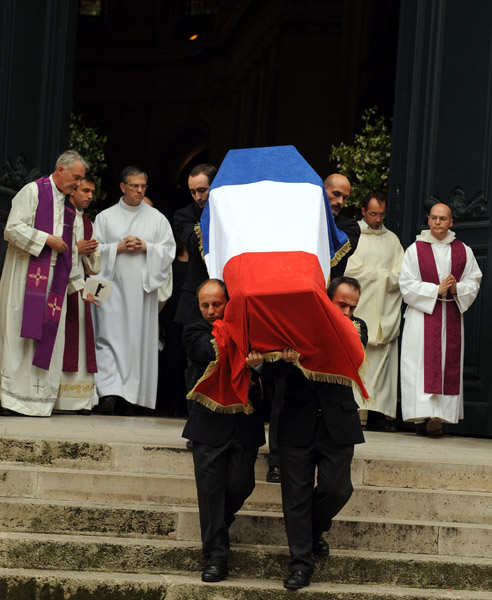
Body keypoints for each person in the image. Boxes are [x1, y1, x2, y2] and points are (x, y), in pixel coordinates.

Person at [271, 276, 366, 590]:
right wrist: (283, 356)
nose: (348, 312)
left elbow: (348, 354)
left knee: (337, 489)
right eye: (342, 305)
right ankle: (300, 565)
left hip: (337, 424)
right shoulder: (295, 325)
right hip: (297, 423)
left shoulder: (357, 329)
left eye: (352, 306)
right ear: (327, 300)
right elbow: (275, 370)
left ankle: (314, 530)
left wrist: (302, 347)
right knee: (295, 499)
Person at [182, 279, 265, 583]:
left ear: (229, 302)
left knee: (242, 486)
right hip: (209, 425)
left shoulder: (250, 329)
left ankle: (216, 524)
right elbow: (210, 352)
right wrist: (245, 343)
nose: (210, 310)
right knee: (210, 494)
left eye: (217, 304)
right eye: (205, 304)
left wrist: (258, 363)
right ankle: (216, 557)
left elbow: (267, 360)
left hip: (245, 421)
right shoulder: (194, 331)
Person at [0, 150, 90, 416]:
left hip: (54, 284)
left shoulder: (70, 208)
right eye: (76, 177)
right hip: (25, 277)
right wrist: (47, 240)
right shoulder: (32, 192)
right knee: (18, 334)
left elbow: (71, 251)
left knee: (48, 336)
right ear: (60, 170)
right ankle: (11, 400)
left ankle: (37, 400)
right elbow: (12, 229)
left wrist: (81, 289)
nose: (77, 184)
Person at [91, 166, 175, 415]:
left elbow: (168, 250)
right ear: (122, 187)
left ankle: (131, 396)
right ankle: (108, 393)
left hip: (140, 293)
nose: (139, 191)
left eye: (143, 187)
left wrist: (147, 247)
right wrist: (116, 247)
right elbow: (92, 254)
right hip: (110, 289)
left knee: (134, 343)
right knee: (105, 337)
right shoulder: (105, 217)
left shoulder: (157, 218)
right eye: (135, 186)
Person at [399, 203, 481, 436]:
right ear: (429, 220)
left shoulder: (463, 250)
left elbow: (474, 280)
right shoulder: (415, 249)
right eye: (434, 218)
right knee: (418, 365)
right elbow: (405, 284)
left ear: (451, 222)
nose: (438, 222)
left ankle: (438, 418)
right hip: (421, 316)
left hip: (450, 314)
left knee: (446, 364)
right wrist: (436, 289)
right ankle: (420, 415)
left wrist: (456, 289)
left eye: (443, 218)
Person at [345, 192, 404, 431]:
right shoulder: (354, 236)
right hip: (363, 307)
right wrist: (381, 274)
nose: (378, 219)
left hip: (384, 312)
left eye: (381, 214)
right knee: (360, 361)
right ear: (362, 211)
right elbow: (350, 271)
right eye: (373, 214)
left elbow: (401, 274)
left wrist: (376, 274)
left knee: (382, 363)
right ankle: (356, 411)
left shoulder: (393, 240)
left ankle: (379, 415)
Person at [55, 174, 100, 414]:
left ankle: (80, 401)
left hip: (79, 285)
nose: (90, 196)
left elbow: (94, 266)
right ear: (72, 191)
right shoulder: (58, 216)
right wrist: (76, 248)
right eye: (85, 191)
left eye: (92, 192)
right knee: (61, 339)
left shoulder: (89, 222)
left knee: (80, 341)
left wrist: (89, 252)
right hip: (58, 287)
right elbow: (49, 250)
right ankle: (57, 398)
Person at [174, 164, 216, 326]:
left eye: (202, 190)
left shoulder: (232, 213)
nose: (198, 197)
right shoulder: (183, 215)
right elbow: (193, 242)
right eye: (193, 192)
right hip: (195, 295)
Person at [324, 174, 360, 278]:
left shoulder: (350, 227)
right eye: (336, 194)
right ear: (322, 191)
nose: (340, 201)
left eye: (345, 198)